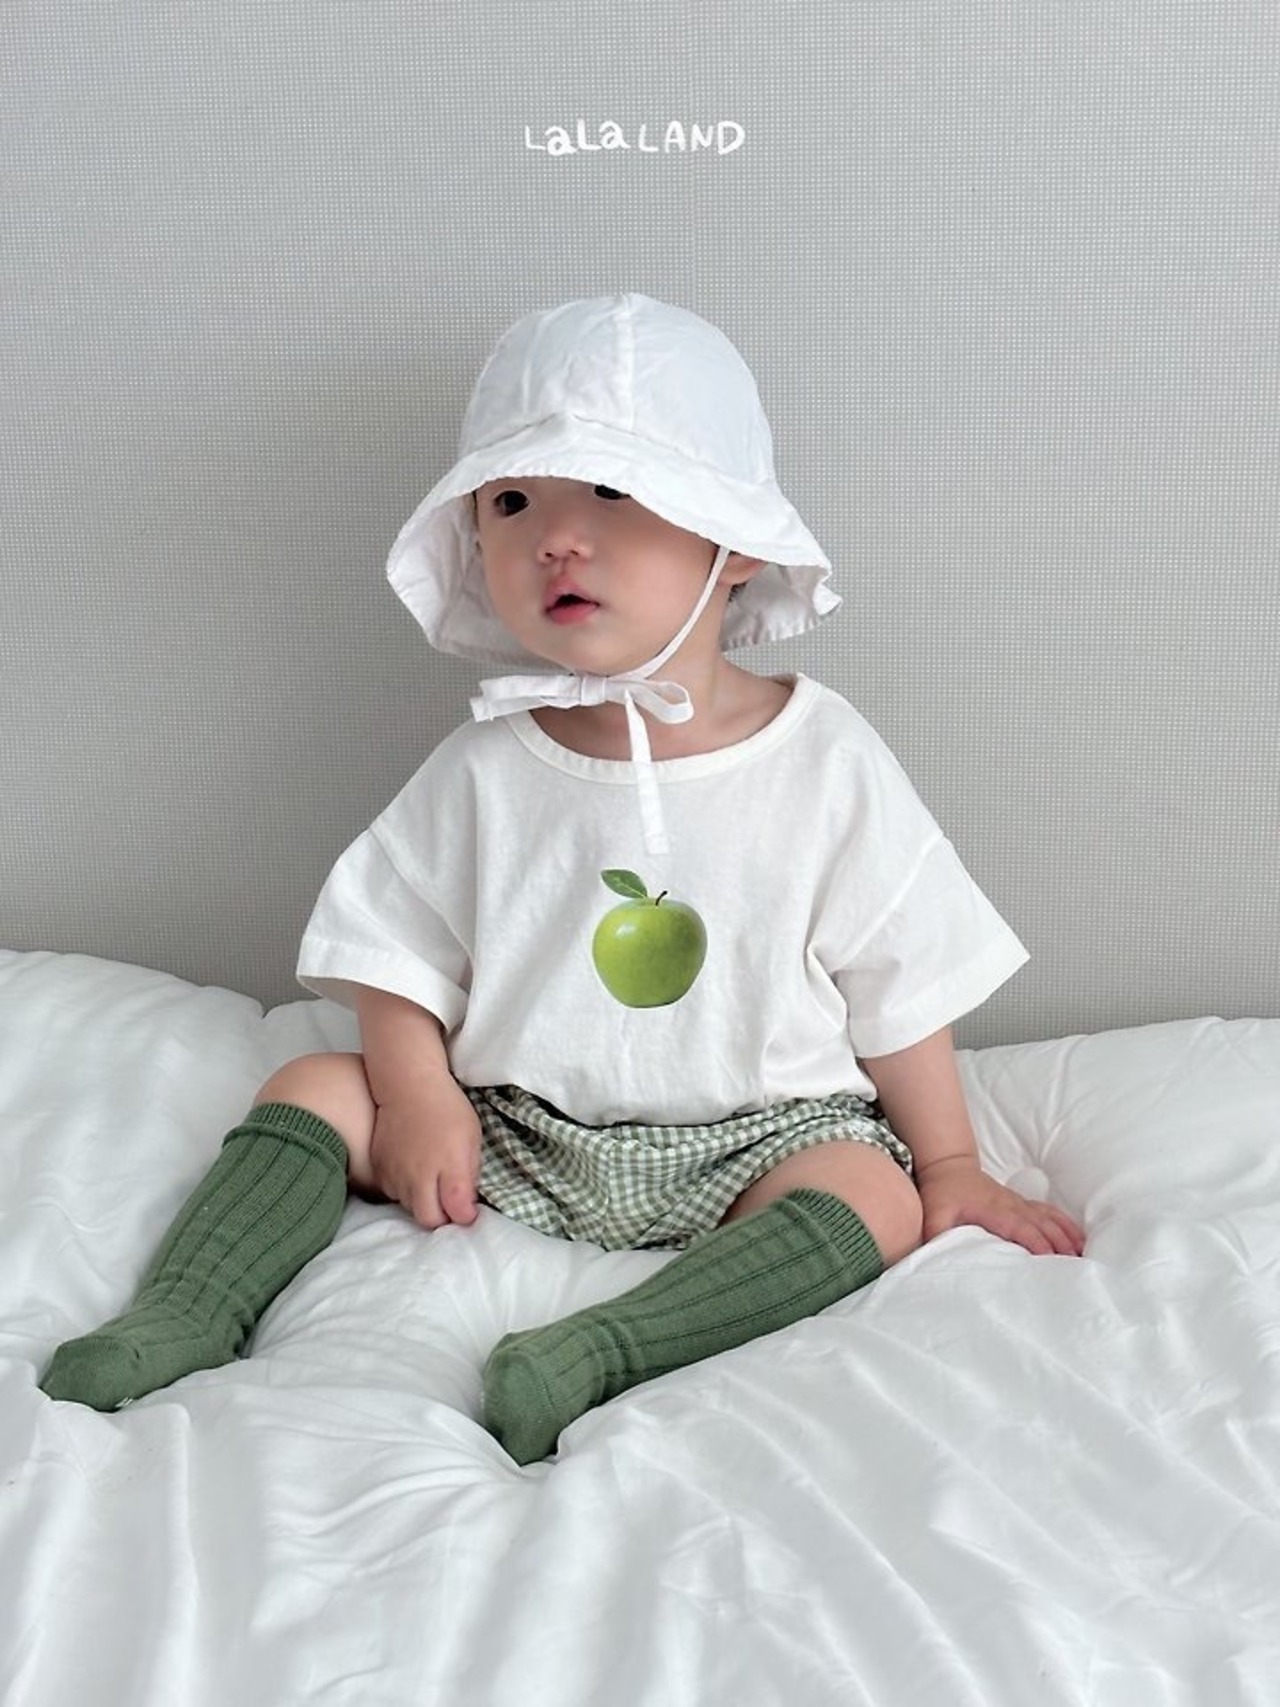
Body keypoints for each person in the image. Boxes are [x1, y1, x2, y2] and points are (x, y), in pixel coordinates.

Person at [40, 293, 1084, 1461]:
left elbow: (901, 977)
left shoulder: (823, 758)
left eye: (611, 493)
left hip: (755, 1136)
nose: (555, 539)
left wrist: (949, 1166)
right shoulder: (488, 765)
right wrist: (420, 1097)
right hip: (514, 1129)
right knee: (315, 1082)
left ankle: (595, 1353)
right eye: (511, 503)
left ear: (735, 541)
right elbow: (389, 951)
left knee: (871, 1196)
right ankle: (185, 1310)